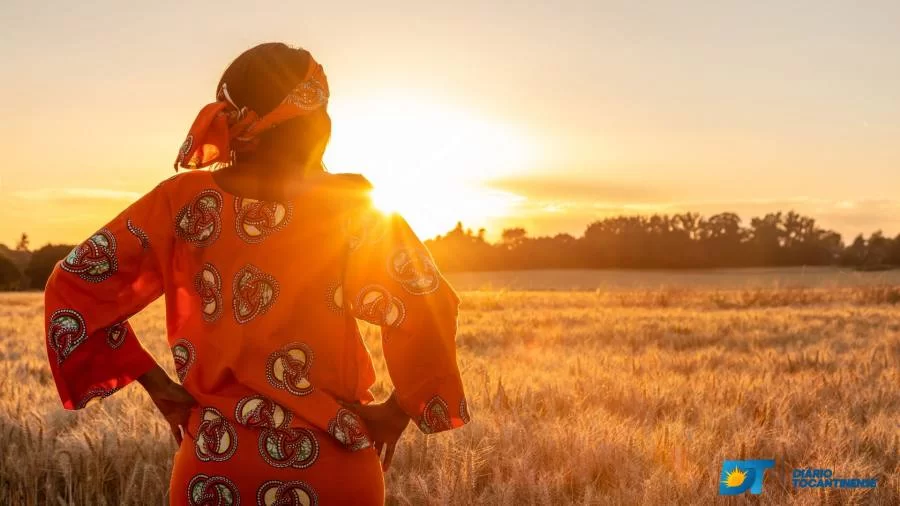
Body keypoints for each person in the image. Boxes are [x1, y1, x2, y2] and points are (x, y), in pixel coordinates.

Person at [43, 42, 470, 506]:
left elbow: (75, 282)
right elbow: (429, 300)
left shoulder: (182, 201)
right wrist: (399, 409)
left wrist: (158, 385)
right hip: (332, 471)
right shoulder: (351, 210)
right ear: (315, 125)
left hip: (214, 466)